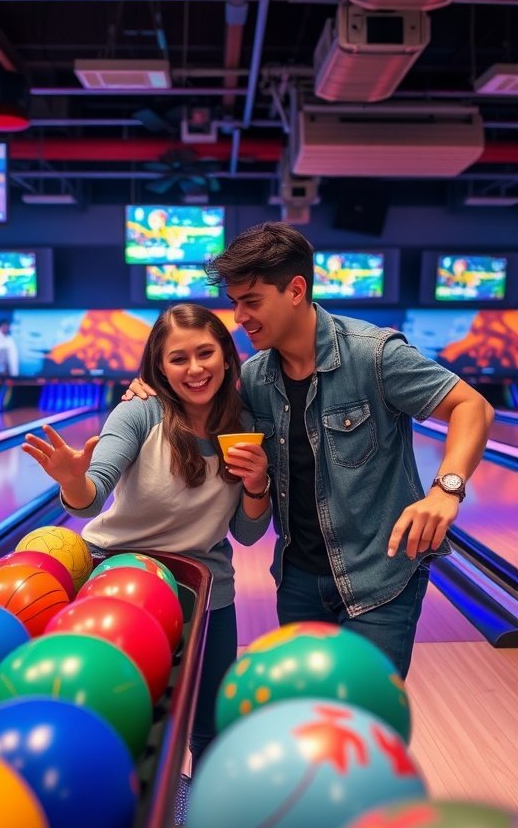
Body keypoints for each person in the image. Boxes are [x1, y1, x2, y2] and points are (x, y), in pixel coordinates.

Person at [124, 222, 494, 683]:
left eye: (251, 301)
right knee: (309, 722)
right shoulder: (256, 379)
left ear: (296, 289)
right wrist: (152, 391)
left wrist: (446, 490)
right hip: (298, 579)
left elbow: (471, 405)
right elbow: (198, 402)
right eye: (235, 303)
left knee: (362, 725)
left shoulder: (372, 356)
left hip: (378, 579)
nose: (239, 316)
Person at [23, 304, 272, 828]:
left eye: (205, 353)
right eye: (178, 358)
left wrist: (260, 483)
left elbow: (245, 534)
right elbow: (91, 495)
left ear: (226, 355)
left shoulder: (247, 422)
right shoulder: (137, 413)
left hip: (204, 594)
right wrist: (72, 480)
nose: (194, 368)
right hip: (116, 592)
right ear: (158, 366)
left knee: (213, 741)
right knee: (114, 732)